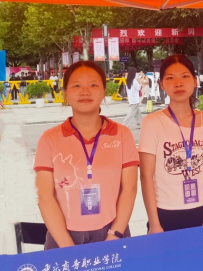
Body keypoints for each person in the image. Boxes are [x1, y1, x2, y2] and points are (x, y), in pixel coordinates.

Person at [34, 61, 138, 249]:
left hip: (113, 231)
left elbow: (129, 189)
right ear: (65, 92)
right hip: (63, 235)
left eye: (93, 85)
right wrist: (67, 246)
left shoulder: (122, 134)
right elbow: (45, 197)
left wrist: (115, 234)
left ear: (104, 90)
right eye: (76, 85)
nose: (85, 92)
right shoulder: (49, 139)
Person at [139, 54, 203, 232]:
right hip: (165, 213)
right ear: (161, 84)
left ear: (194, 81)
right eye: (170, 78)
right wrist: (154, 223)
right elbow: (146, 176)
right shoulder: (152, 123)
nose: (178, 83)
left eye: (185, 76)